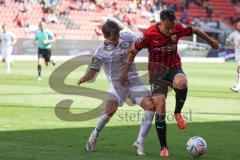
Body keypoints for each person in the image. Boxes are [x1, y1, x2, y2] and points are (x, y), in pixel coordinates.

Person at [119, 10, 219, 157]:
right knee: (160, 107)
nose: (171, 30)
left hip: (173, 68)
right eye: (168, 28)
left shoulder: (177, 27)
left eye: (172, 27)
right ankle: (163, 147)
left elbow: (195, 30)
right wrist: (125, 72)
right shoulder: (148, 34)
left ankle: (178, 113)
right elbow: (132, 51)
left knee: (182, 83)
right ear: (160, 23)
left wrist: (210, 41)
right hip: (157, 73)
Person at [77, 20, 156, 156]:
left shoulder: (127, 36)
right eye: (115, 35)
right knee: (110, 112)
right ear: (107, 36)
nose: (118, 37)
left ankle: (139, 142)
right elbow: (92, 72)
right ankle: (95, 134)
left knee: (151, 106)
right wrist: (84, 78)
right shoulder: (100, 51)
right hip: (117, 85)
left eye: (118, 34)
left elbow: (142, 41)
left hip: (134, 82)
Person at [226, 20, 240, 92]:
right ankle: (237, 84)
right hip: (237, 54)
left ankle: (238, 87)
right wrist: (232, 43)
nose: (239, 27)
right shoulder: (234, 34)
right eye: (238, 26)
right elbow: (227, 41)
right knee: (238, 70)